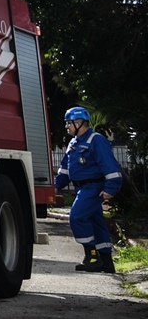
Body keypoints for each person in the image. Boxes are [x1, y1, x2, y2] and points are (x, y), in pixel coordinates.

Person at [53, 106, 124, 273]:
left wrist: (110, 188)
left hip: (93, 188)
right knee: (97, 223)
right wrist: (55, 187)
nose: (66, 126)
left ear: (79, 122)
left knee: (77, 217)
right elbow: (65, 170)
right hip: (82, 189)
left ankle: (92, 257)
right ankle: (107, 262)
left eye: (68, 123)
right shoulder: (74, 143)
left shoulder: (96, 140)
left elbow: (110, 166)